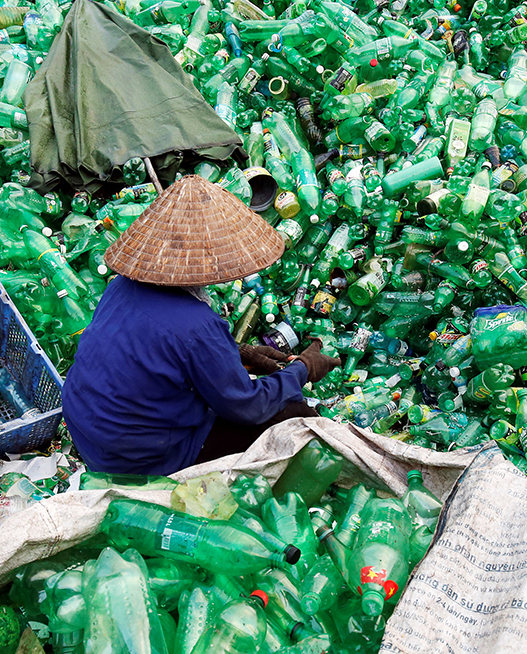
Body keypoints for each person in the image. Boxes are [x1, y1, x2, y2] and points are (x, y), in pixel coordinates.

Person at [62, 176, 342, 475]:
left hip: (86, 430)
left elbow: (156, 348)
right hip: (136, 457)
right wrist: (303, 369)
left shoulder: (121, 285)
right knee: (290, 415)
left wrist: (239, 353)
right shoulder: (198, 326)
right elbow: (247, 408)